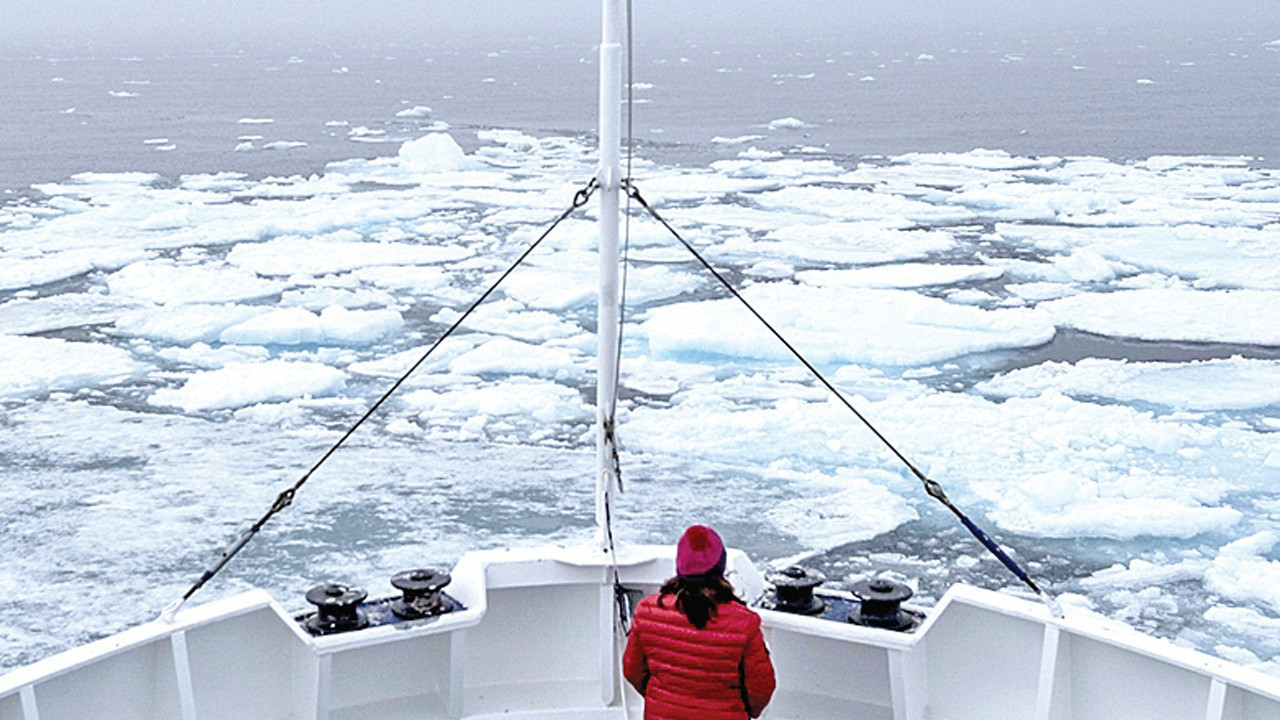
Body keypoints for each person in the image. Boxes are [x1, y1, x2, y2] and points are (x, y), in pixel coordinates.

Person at [623, 525, 776, 720]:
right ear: (720, 568)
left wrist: (661, 698)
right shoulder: (744, 622)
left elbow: (632, 670)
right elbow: (761, 689)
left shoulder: (647, 611)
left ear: (680, 566)